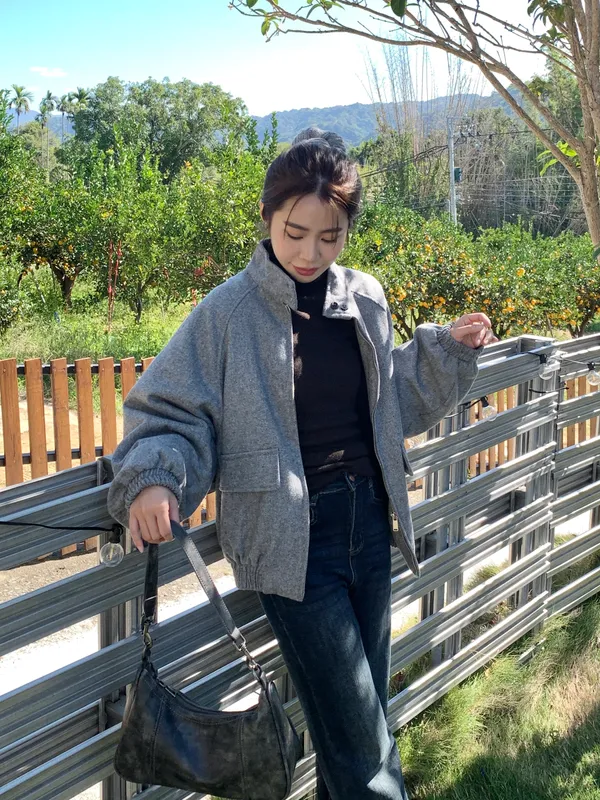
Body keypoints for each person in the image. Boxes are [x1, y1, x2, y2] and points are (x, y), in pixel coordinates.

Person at [106, 127, 497, 800]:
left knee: (361, 725)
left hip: (371, 522)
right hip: (292, 545)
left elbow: (390, 402)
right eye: (294, 233)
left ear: (348, 230)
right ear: (266, 218)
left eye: (329, 237)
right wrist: (153, 477)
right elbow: (170, 408)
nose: (310, 253)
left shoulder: (366, 297)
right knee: (363, 744)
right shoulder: (227, 313)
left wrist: (446, 352)